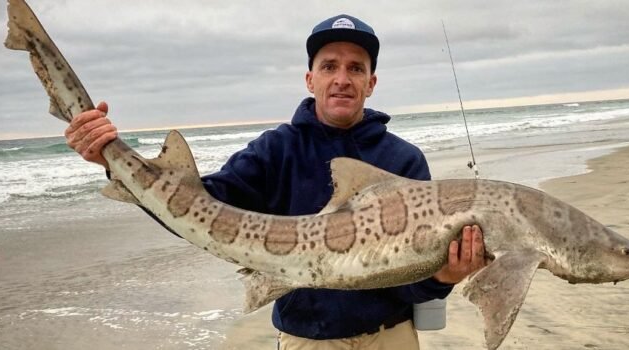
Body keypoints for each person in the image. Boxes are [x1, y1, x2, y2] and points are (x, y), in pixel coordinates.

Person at [65, 14, 485, 350]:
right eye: (329, 66)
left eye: (356, 68)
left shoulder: (404, 160)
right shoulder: (274, 151)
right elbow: (195, 211)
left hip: (391, 337)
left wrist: (444, 277)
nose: (342, 78)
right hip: (307, 340)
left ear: (371, 83)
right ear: (310, 79)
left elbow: (413, 281)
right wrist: (110, 159)